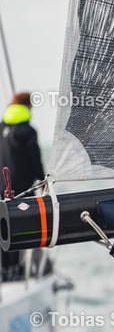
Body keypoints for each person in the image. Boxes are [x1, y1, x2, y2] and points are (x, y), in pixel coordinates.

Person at [1, 92, 44, 280]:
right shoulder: (28, 131)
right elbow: (35, 159)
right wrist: (42, 180)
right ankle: (19, 269)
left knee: (4, 224)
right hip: (22, 187)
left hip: (2, 186)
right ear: (28, 105)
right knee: (22, 225)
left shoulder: (1, 127)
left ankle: (5, 269)